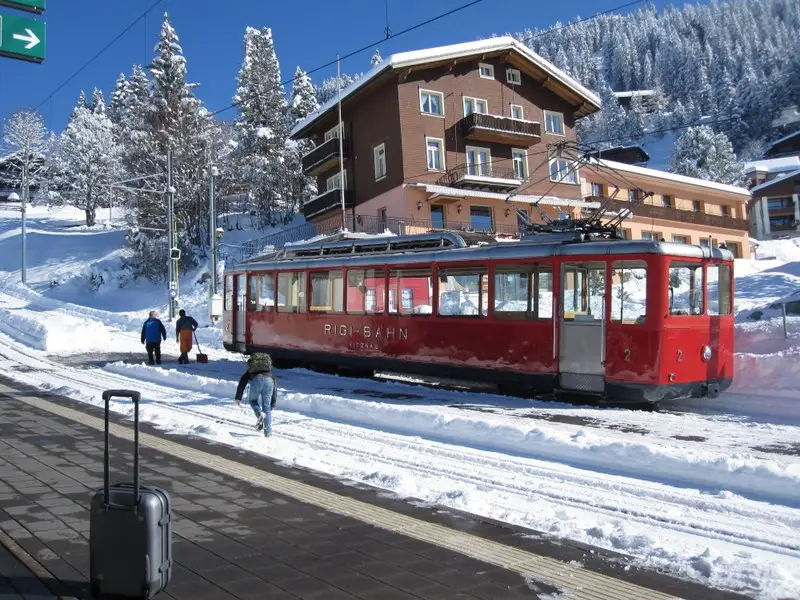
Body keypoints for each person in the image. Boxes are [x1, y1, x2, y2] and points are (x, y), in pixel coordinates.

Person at [234, 353, 277, 437]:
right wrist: (273, 402)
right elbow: (275, 386)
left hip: (256, 380)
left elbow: (243, 381)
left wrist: (238, 398)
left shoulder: (251, 370)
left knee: (253, 400)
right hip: (269, 381)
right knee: (266, 407)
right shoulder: (269, 371)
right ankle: (268, 432)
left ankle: (259, 414)